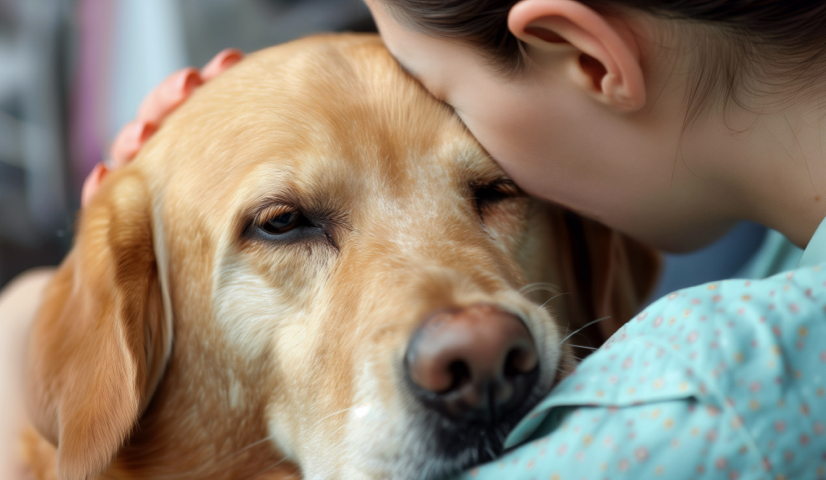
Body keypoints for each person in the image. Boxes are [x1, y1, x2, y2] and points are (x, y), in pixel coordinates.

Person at [17, 0, 826, 478]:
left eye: (491, 189)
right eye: (284, 223)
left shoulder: (695, 398)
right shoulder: (779, 264)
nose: (466, 333)